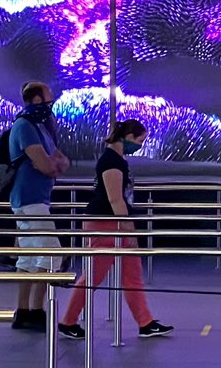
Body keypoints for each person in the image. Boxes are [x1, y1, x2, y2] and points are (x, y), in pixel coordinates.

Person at [57, 118, 172, 341]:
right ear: (128, 137)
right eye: (140, 141)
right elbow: (115, 199)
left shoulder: (116, 160)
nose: (140, 146)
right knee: (93, 276)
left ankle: (145, 322)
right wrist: (129, 230)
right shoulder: (112, 162)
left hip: (112, 222)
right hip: (105, 224)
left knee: (132, 275)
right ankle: (68, 321)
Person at [8, 80, 68, 331]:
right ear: (36, 100)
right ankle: (36, 310)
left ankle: (23, 311)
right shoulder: (25, 125)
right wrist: (50, 165)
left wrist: (51, 164)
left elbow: (60, 161)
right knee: (52, 253)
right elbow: (46, 165)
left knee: (29, 258)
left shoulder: (40, 126)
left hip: (36, 199)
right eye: (48, 97)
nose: (51, 102)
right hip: (30, 200)